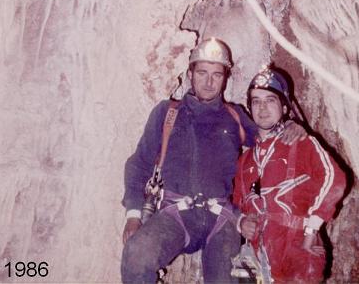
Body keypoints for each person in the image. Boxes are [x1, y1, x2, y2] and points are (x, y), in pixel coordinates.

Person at [121, 38, 305, 284]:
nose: (209, 82)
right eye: (202, 73)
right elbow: (139, 164)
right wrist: (133, 214)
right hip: (176, 214)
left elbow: (268, 141)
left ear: (225, 78)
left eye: (216, 75)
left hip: (222, 219)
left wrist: (290, 126)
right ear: (190, 73)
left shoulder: (235, 117)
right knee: (136, 254)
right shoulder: (167, 113)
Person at [233, 67, 346, 283]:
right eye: (256, 101)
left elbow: (335, 179)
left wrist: (313, 227)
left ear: (284, 107)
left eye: (270, 100)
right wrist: (241, 221)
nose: (263, 108)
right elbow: (237, 202)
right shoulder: (245, 161)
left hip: (298, 246)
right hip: (260, 252)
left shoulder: (301, 142)